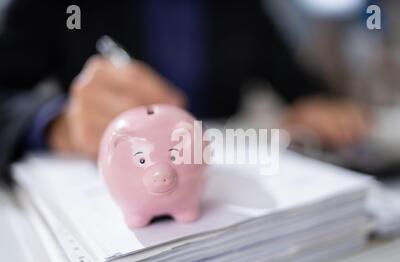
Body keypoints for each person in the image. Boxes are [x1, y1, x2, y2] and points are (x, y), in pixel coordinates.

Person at [0, 0, 370, 181]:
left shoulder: (242, 6)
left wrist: (320, 108)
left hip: (222, 185)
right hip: (112, 183)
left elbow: (301, 85)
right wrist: (58, 124)